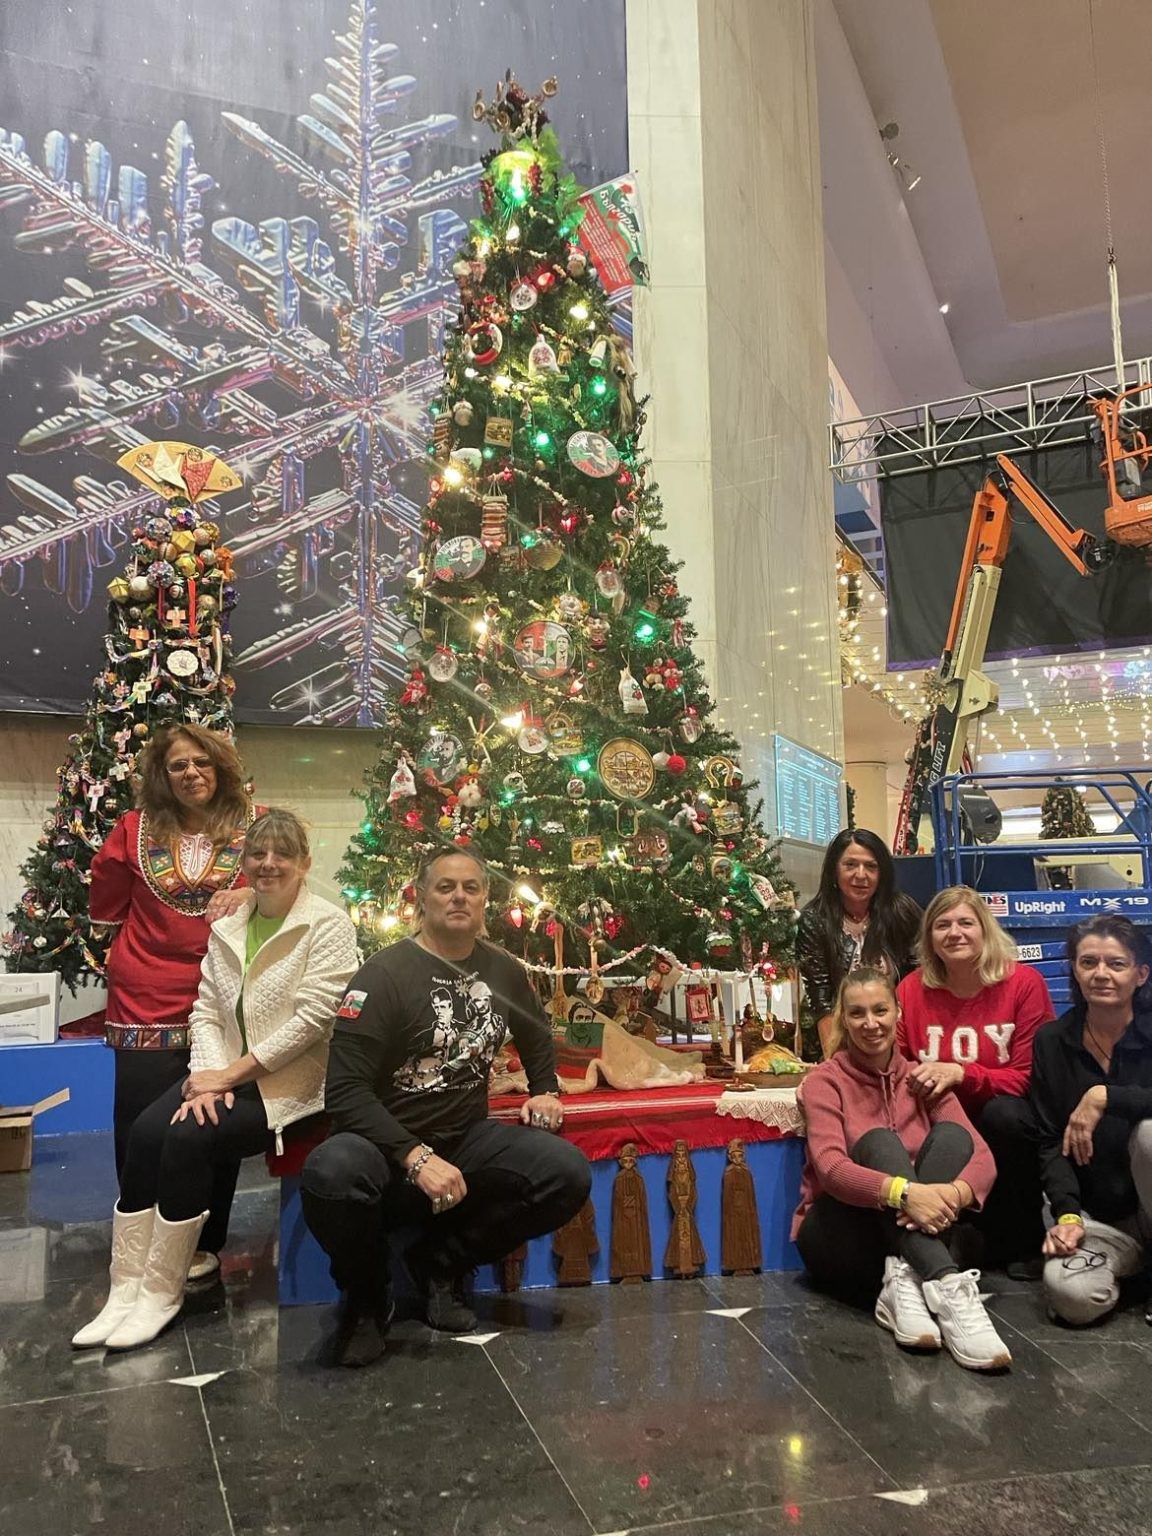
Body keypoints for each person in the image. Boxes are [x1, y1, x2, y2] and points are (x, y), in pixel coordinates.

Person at [73, 810, 359, 1351]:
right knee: (146, 1132)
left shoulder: (328, 924)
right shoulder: (229, 924)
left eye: (282, 854)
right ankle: (126, 1287)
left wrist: (229, 1075)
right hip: (225, 1074)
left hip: (291, 1084)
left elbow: (312, 1022)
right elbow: (205, 1010)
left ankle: (162, 1291)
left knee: (188, 1137)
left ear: (304, 863)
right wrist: (208, 1076)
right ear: (243, 863)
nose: (268, 864)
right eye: (258, 854)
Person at [300, 846, 592, 1368]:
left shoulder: (502, 969)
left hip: (464, 1139)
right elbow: (344, 1092)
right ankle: (367, 1297)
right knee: (330, 1171)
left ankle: (441, 1264)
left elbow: (535, 1030)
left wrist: (544, 1087)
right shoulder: (382, 976)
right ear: (422, 897)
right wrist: (414, 1157)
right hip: (383, 1147)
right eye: (445, 887)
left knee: (565, 1173)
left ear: (484, 899)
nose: (459, 897)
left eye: (470, 888)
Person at [89, 722, 254, 1279]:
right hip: (145, 992)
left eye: (201, 762)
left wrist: (250, 892)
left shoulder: (254, 825)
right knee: (141, 1123)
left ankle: (204, 1241)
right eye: (178, 765)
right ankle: (140, 1239)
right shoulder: (133, 828)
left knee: (213, 1116)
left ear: (220, 768)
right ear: (162, 775)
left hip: (224, 991)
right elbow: (107, 900)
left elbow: (285, 883)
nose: (191, 773)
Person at [794, 967, 1010, 1371]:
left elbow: (982, 1158)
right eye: (857, 1013)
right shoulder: (825, 1082)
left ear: (898, 1013)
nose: (870, 1023)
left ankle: (906, 1280)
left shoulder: (921, 1078)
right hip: (843, 1233)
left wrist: (951, 1194)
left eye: (880, 1010)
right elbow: (830, 1167)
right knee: (879, 1143)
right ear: (844, 1020)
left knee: (953, 1137)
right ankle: (948, 1287)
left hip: (912, 1230)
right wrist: (907, 1194)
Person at [897, 886, 1054, 1270]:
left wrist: (961, 1074)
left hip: (1001, 1119)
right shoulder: (911, 989)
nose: (955, 933)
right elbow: (896, 1067)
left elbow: (1028, 1077)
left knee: (1005, 1116)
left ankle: (1023, 1242)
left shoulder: (1024, 984)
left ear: (985, 929)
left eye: (966, 923)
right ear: (929, 937)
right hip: (938, 1120)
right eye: (942, 925)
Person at [1031, 916, 1152, 1327]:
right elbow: (1050, 1139)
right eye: (1088, 962)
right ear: (1075, 970)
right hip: (1103, 1219)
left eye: (1116, 964)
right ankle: (1137, 1271)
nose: (1101, 974)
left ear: (1140, 974)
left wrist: (1105, 1096)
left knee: (1149, 1134)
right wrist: (1067, 1214)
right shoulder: (1052, 1041)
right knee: (1072, 1297)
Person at [796, 829, 922, 1058]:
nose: (861, 875)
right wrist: (835, 1063)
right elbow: (821, 999)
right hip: (839, 1036)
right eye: (850, 865)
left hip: (897, 1036)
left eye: (871, 866)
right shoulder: (814, 920)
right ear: (835, 870)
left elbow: (917, 981)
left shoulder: (902, 911)